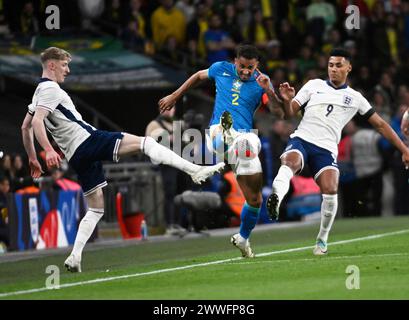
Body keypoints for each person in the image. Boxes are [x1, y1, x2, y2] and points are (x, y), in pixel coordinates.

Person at [21, 47, 224, 272]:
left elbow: (25, 127)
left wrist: (32, 158)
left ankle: (75, 257)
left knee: (96, 208)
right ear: (51, 65)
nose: (67, 70)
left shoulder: (38, 92)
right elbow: (37, 122)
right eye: (64, 65)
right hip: (88, 140)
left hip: (76, 155)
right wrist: (48, 150)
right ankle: (194, 170)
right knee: (146, 143)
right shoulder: (50, 88)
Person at [267, 48, 409, 256]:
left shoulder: (355, 98)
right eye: (331, 65)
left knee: (331, 189)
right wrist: (288, 99)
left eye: (338, 65)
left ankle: (322, 240)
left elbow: (380, 125)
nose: (333, 69)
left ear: (348, 68)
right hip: (303, 139)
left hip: (325, 149)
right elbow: (288, 115)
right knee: (290, 161)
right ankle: (276, 199)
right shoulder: (313, 85)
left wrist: (404, 149)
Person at [159, 44, 283, 258]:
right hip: (216, 136)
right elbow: (198, 76)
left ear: (257, 66)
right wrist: (175, 95)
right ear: (236, 61)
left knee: (255, 200)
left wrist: (269, 90)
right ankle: (226, 135)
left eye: (250, 68)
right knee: (228, 135)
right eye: (242, 66)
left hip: (242, 143)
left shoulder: (262, 81)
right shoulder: (220, 69)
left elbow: (278, 112)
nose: (246, 71)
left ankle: (243, 239)